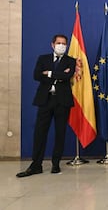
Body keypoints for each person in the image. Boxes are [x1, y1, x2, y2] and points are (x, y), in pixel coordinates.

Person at [16, 34, 75, 178]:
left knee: (60, 133)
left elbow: (68, 76)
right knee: (40, 133)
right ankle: (36, 165)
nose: (61, 45)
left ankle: (56, 164)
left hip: (62, 101)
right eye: (59, 43)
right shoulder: (43, 59)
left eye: (64, 43)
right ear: (52, 44)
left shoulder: (70, 61)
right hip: (45, 100)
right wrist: (58, 74)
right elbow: (37, 75)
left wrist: (48, 73)